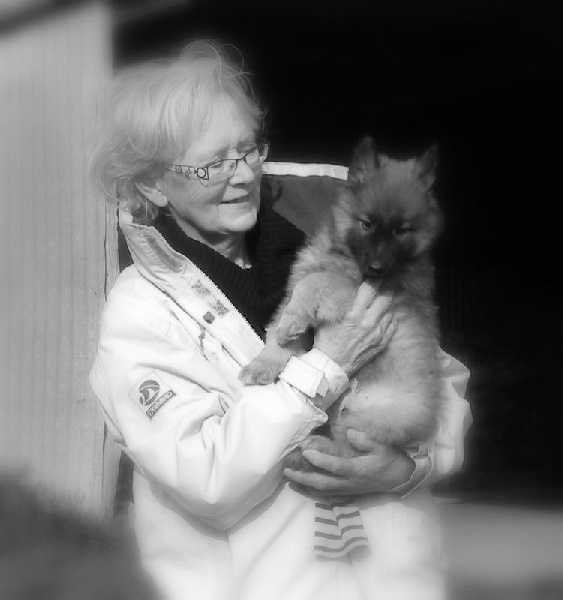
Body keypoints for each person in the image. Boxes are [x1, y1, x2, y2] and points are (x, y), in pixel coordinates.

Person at [88, 41, 471, 600]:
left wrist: (407, 467)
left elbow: (440, 384)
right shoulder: (142, 313)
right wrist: (323, 368)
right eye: (212, 164)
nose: (242, 176)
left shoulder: (340, 251)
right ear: (151, 184)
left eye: (248, 150)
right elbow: (206, 477)